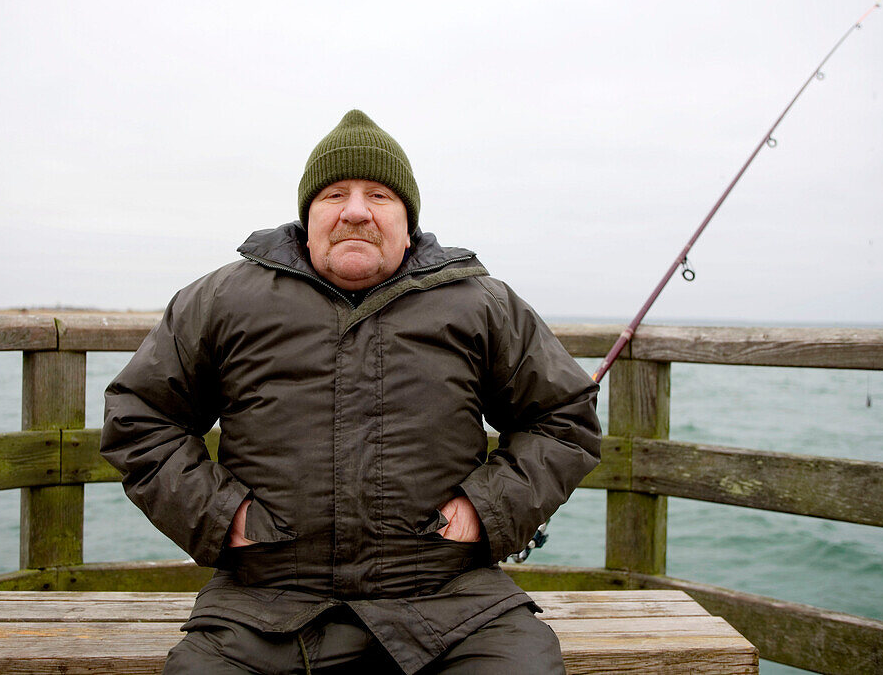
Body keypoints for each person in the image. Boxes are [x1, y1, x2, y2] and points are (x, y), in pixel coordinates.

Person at [101, 109, 602, 674]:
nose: (356, 211)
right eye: (334, 194)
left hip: (454, 605)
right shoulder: (222, 299)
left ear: (407, 222)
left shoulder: (483, 304)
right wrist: (220, 514)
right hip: (261, 608)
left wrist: (487, 510)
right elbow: (139, 416)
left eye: (380, 196)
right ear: (307, 218)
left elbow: (563, 417)